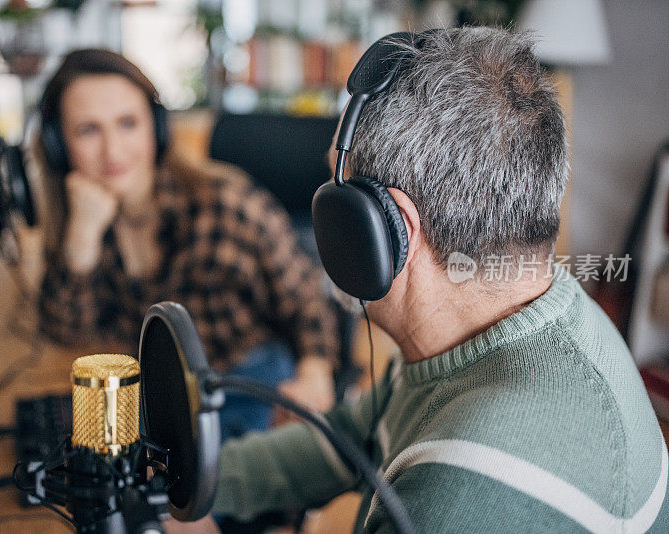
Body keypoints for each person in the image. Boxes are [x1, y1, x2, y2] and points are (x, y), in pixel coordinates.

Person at [204, 27, 669, 533]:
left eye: (341, 202)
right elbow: (348, 438)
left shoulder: (462, 492)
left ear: (391, 230)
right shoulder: (510, 316)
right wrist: (191, 480)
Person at [35, 49, 340, 440]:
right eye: (88, 130)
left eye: (127, 123)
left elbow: (308, 299)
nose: (112, 151)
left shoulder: (227, 204)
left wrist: (315, 374)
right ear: (58, 145)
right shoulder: (82, 219)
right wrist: (81, 241)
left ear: (157, 127)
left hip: (248, 380)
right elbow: (66, 333)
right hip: (161, 389)